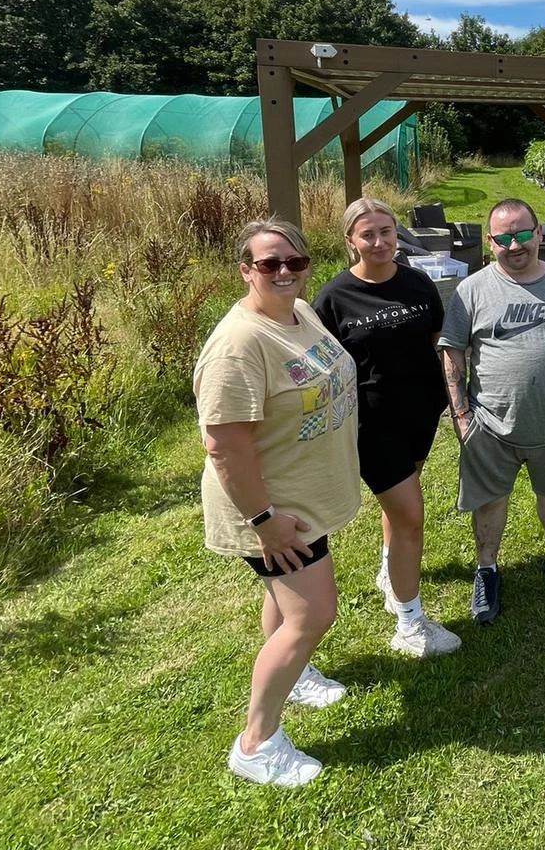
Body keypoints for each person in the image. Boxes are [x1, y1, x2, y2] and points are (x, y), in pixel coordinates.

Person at [194, 218, 361, 787]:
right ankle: (256, 743)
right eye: (269, 264)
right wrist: (265, 522)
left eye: (295, 261)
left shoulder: (300, 312)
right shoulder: (238, 346)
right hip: (273, 511)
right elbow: (223, 444)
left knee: (289, 606)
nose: (285, 271)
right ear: (246, 270)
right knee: (312, 613)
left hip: (301, 499)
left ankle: (298, 674)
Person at [313, 198, 461, 659]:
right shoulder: (333, 298)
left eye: (386, 232)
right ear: (350, 242)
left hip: (420, 412)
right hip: (370, 423)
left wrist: (452, 397)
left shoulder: (417, 282)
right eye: (367, 235)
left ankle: (387, 567)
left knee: (400, 504)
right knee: (411, 515)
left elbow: (438, 341)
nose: (379, 242)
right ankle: (409, 622)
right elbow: (324, 368)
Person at [438, 198, 545, 623]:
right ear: (491, 243)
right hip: (489, 426)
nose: (515, 245)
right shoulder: (471, 290)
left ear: (540, 234)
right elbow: (453, 353)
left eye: (524, 234)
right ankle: (487, 570)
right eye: (504, 237)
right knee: (489, 501)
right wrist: (461, 416)